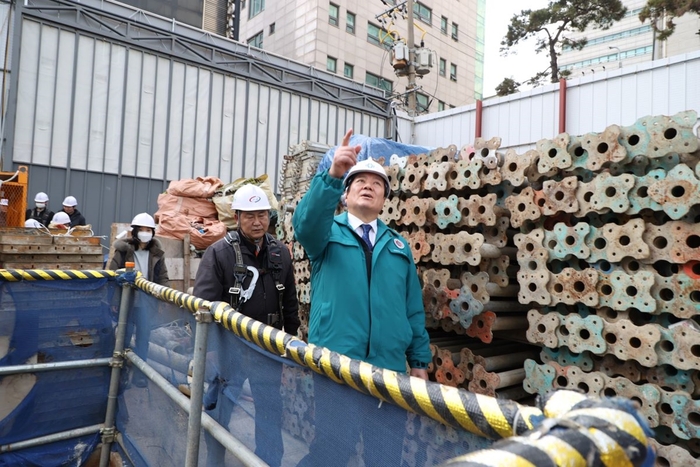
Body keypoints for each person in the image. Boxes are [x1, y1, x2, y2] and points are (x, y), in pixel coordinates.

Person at [292, 129, 432, 466]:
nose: (368, 185)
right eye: (359, 181)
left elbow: (412, 308)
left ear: (384, 199)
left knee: (385, 456)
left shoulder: (398, 246)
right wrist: (332, 176)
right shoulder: (326, 235)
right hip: (338, 366)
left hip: (388, 372)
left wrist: (419, 362)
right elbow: (305, 223)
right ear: (346, 194)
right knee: (331, 452)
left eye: (377, 183)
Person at [193, 184, 299, 467]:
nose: (257, 222)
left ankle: (268, 462)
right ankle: (215, 459)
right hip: (229, 349)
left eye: (262, 215)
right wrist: (211, 351)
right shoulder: (219, 254)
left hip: (268, 349)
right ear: (237, 217)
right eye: (250, 216)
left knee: (269, 411)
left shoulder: (280, 254)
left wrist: (289, 347)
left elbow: (290, 304)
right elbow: (202, 305)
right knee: (219, 409)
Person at [108, 213, 170, 387]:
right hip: (127, 301)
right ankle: (120, 373)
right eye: (141, 229)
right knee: (124, 336)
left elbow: (162, 277)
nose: (145, 233)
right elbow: (111, 275)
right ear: (134, 231)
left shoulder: (156, 253)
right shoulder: (123, 250)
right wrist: (113, 301)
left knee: (144, 337)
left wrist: (165, 298)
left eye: (148, 230)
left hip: (146, 303)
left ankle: (140, 373)